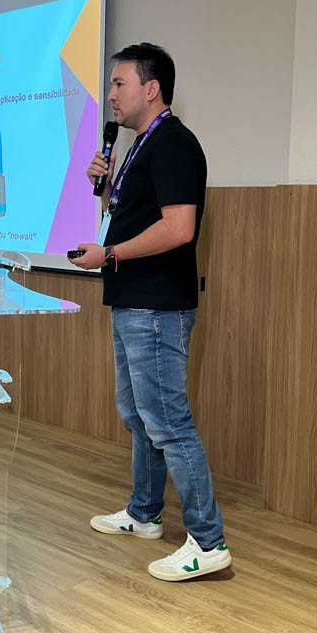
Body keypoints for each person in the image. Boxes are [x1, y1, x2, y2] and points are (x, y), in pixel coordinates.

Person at [71, 42, 231, 581]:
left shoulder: (175, 144)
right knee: (138, 416)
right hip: (132, 301)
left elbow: (179, 229)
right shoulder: (143, 145)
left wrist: (111, 254)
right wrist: (105, 187)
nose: (111, 95)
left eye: (119, 84)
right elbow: (131, 217)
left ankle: (208, 541)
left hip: (157, 308)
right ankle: (144, 513)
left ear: (151, 88)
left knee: (167, 422)